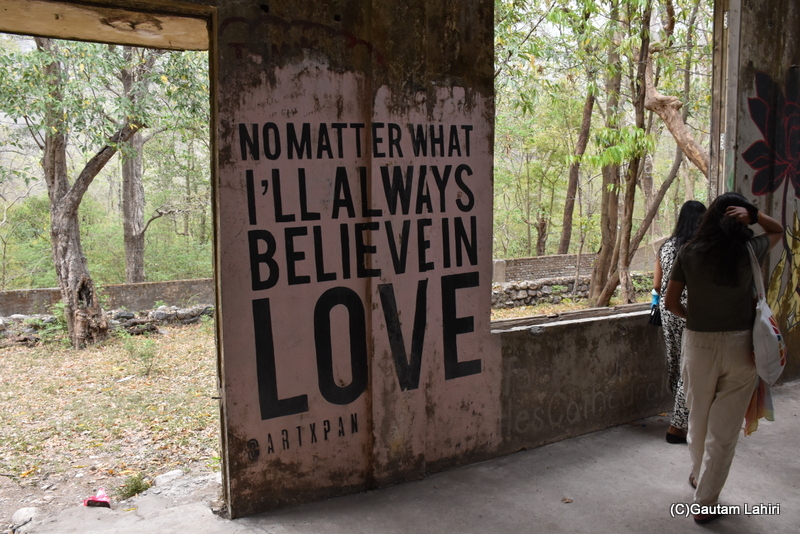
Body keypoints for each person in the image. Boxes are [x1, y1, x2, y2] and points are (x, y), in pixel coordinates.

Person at [665, 192, 783, 524]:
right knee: (724, 432)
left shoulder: (689, 252)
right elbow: (778, 232)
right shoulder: (749, 250)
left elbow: (672, 303)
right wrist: (755, 215)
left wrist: (698, 319)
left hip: (698, 345)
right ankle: (705, 502)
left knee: (699, 422)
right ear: (739, 218)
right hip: (741, 348)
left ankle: (699, 478)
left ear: (709, 219)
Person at [653, 200, 706, 444]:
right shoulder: (699, 248)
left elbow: (656, 285)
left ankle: (682, 417)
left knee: (676, 362)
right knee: (692, 368)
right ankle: (679, 426)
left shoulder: (665, 247)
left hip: (668, 311)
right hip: (691, 312)